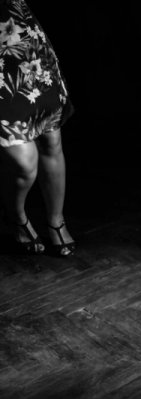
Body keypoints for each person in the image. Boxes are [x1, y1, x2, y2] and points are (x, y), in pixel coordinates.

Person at [0, 0, 75, 256]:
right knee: (24, 161)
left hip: (26, 41)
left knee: (51, 141)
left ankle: (56, 221)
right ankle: (17, 218)